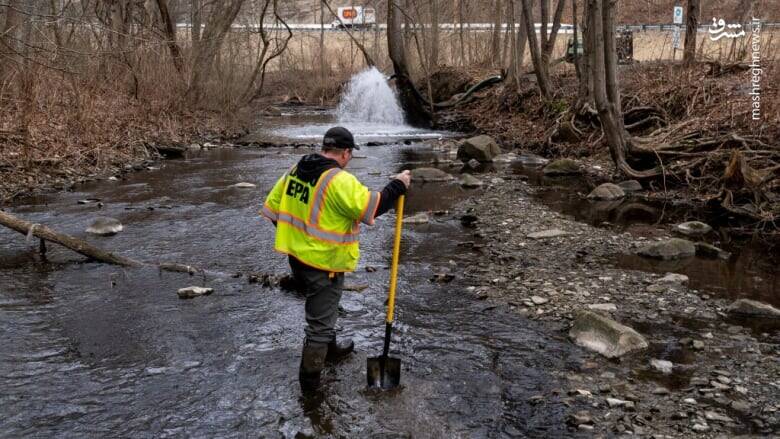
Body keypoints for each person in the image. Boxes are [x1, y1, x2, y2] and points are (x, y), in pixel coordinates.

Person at [261, 126, 411, 391]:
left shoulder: (296, 169)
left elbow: (272, 211)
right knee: (318, 326)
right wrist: (398, 184)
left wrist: (300, 242)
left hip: (298, 260)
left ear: (324, 148)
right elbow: (373, 207)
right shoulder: (339, 181)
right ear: (345, 153)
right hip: (323, 264)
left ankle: (330, 350)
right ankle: (310, 388)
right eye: (350, 155)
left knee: (325, 311)